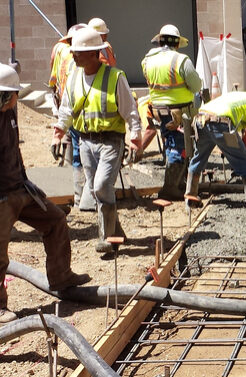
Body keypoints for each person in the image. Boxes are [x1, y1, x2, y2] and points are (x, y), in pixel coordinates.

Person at [1, 63, 90, 323]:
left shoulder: (9, 114)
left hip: (19, 188)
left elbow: (13, 153)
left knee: (55, 220)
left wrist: (25, 181)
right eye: (14, 94)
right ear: (6, 95)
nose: (17, 98)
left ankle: (61, 277)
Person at [51, 27, 142, 254]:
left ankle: (106, 238)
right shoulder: (73, 79)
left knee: (102, 186)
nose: (74, 55)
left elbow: (130, 110)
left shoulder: (115, 77)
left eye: (79, 52)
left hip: (111, 141)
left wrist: (135, 135)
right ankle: (116, 232)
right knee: (95, 189)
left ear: (93, 53)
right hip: (85, 141)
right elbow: (66, 110)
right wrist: (58, 133)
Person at [185, 81, 246, 209]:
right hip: (220, 123)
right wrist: (244, 156)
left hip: (201, 120)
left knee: (198, 158)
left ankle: (190, 201)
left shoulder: (241, 96)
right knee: (245, 160)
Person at [142, 24, 202, 200]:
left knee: (169, 142)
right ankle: (170, 187)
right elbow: (196, 85)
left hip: (159, 111)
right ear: (177, 43)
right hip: (179, 112)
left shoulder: (147, 60)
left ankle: (177, 181)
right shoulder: (181, 60)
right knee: (179, 146)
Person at [48, 23, 97, 211]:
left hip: (69, 111)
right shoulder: (80, 62)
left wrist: (59, 129)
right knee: (87, 157)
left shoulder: (60, 52)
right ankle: (87, 199)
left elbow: (54, 81)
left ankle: (79, 199)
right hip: (83, 117)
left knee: (78, 155)